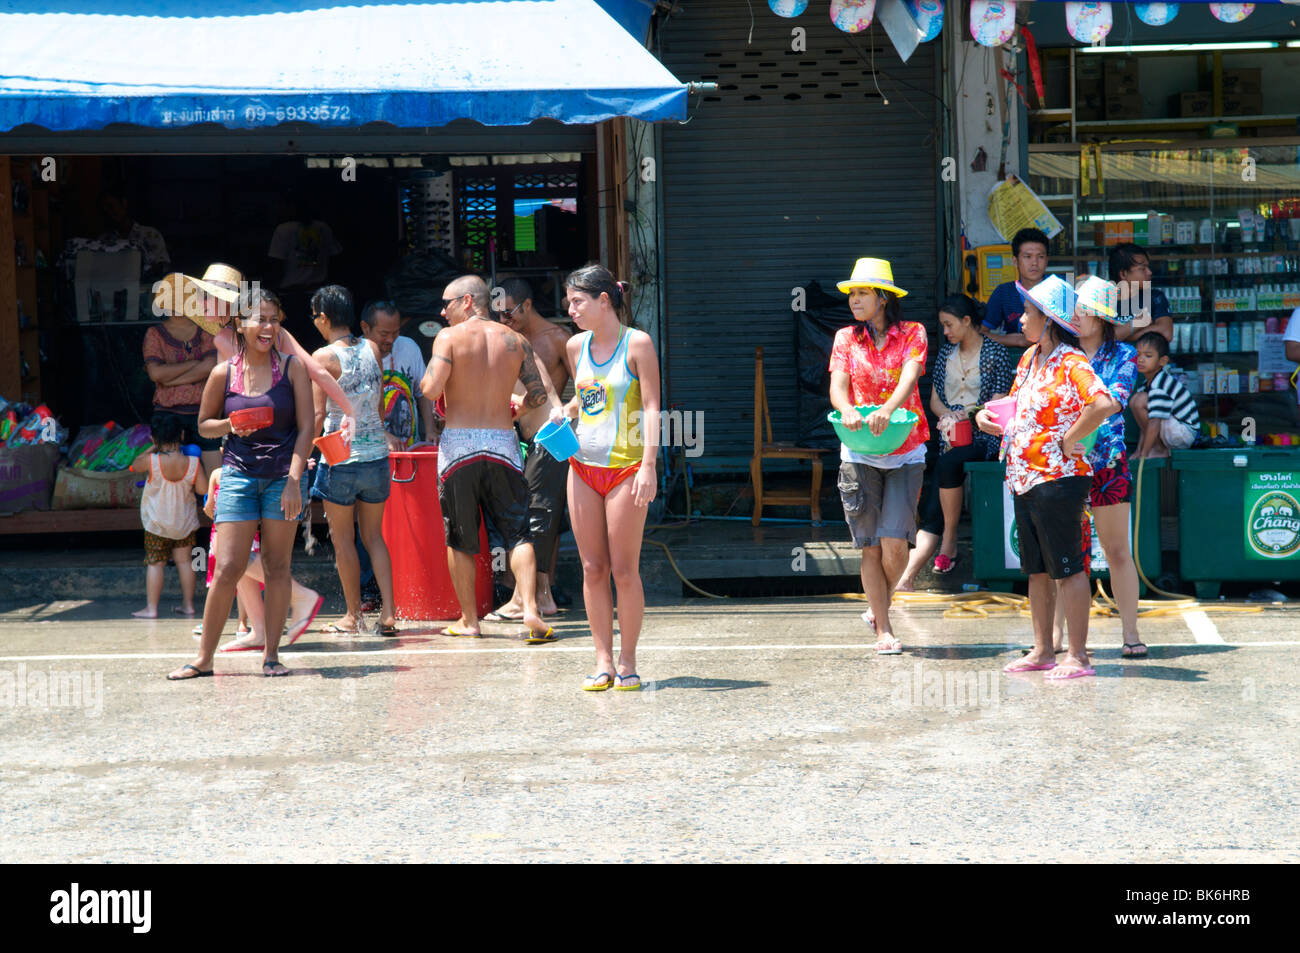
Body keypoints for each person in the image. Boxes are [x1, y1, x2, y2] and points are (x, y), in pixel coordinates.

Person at [167, 288, 315, 681]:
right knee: (227, 567)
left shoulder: (293, 368)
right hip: (237, 475)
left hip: (283, 478)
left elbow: (307, 429)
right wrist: (232, 424)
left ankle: (272, 656)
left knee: (277, 566)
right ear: (240, 325)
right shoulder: (224, 372)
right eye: (260, 319)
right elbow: (203, 425)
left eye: (274, 319)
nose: (268, 327)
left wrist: (295, 481)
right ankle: (203, 659)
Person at [976, 275, 1118, 681]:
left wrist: (1070, 438)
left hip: (1059, 479)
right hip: (1024, 477)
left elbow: (1104, 403)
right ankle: (1042, 651)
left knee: (1069, 568)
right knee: (1036, 570)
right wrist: (987, 416)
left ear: (1049, 319)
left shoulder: (1072, 362)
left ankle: (1078, 656)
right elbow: (1017, 405)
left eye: (1028, 313)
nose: (1020, 320)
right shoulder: (1029, 359)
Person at [420, 274, 561, 644]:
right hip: (503, 444)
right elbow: (538, 395)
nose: (442, 311)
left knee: (460, 538)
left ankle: (469, 620)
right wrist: (515, 408)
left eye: (447, 303)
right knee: (518, 533)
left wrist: (436, 383)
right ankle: (530, 608)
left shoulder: (448, 338)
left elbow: (431, 388)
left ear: (467, 302)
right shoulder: (516, 340)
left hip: (459, 449)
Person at [561, 265, 660, 691]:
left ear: (605, 300)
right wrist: (567, 411)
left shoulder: (637, 343)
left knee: (623, 570)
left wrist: (649, 466)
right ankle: (602, 659)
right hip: (582, 467)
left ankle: (628, 659)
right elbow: (585, 399)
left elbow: (653, 407)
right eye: (568, 302)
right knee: (592, 567)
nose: (571, 310)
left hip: (626, 468)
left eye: (578, 301)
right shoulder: (573, 346)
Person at [829, 258, 929, 655]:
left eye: (862, 292)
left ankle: (877, 602)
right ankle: (883, 628)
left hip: (905, 450)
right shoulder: (844, 339)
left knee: (895, 543)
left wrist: (889, 407)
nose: (854, 300)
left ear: (883, 298)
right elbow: (838, 387)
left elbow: (910, 375)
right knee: (870, 544)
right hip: (859, 451)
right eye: (852, 293)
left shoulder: (913, 333)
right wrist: (847, 407)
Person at [1051, 276, 1145, 659]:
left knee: (1118, 550)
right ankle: (1054, 638)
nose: (1075, 316)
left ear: (1102, 318)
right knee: (1065, 555)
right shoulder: (1059, 352)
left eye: (1083, 311)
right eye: (1074, 309)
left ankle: (1131, 633)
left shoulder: (1124, 355)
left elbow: (1113, 401)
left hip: (1107, 463)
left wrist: (1072, 433)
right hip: (1063, 464)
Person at [899, 294, 1013, 587]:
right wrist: (949, 416)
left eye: (949, 325)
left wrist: (965, 415)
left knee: (948, 464)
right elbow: (934, 400)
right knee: (940, 477)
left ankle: (947, 541)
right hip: (949, 436)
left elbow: (998, 401)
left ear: (966, 321)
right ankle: (907, 577)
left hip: (984, 437)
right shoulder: (946, 356)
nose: (946, 332)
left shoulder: (995, 353)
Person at [309, 285, 398, 637]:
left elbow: (318, 414)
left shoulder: (322, 358)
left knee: (343, 540)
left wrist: (301, 455)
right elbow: (378, 403)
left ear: (325, 317)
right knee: (374, 537)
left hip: (340, 459)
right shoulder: (372, 348)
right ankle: (389, 613)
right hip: (376, 455)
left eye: (315, 316)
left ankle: (353, 616)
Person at [484, 277, 573, 621]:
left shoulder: (558, 340)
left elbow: (582, 388)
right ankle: (538, 595)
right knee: (536, 517)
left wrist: (565, 416)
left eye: (509, 313)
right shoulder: (509, 340)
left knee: (540, 517)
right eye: (499, 315)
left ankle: (532, 598)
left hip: (550, 437)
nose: (504, 320)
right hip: (522, 439)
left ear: (527, 305)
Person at [204, 465, 323, 654]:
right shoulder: (218, 473)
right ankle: (259, 629)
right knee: (227, 551)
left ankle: (299, 595)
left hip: (270, 471)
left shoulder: (218, 473)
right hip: (248, 468)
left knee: (228, 549)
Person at [129, 414, 207, 619]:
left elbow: (133, 465)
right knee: (185, 562)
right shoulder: (193, 462)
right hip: (184, 523)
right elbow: (202, 489)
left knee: (156, 563)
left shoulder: (151, 461)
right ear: (182, 435)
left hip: (157, 523)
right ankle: (188, 605)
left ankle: (151, 609)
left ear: (154, 439)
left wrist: (152, 448)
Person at [143, 273, 221, 476]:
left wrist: (170, 380)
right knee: (169, 476)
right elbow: (155, 373)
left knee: (215, 476)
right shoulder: (154, 333)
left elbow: (210, 366)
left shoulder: (205, 329)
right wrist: (194, 363)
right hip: (168, 414)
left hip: (204, 411)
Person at [267, 191, 342, 339]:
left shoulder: (283, 230)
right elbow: (335, 257)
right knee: (317, 338)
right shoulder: (323, 228)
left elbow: (276, 264)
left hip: (290, 296)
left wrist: (271, 293)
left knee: (291, 339)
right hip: (318, 293)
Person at [360, 300, 435, 448]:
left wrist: (430, 430)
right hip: (370, 454)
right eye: (384, 333)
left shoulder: (409, 347)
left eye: (395, 332)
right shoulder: (355, 356)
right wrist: (382, 434)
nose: (390, 339)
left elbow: (423, 393)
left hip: (410, 449)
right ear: (365, 328)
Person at [1131, 332, 1200, 458]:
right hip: (1170, 430)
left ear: (1163, 361)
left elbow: (1154, 422)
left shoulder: (1161, 384)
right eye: (1138, 354)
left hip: (1183, 433)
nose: (1140, 359)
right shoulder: (1145, 385)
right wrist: (1139, 451)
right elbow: (1144, 424)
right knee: (1136, 400)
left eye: (1148, 356)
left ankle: (1159, 449)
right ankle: (1155, 447)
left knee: (1139, 401)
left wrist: (1145, 453)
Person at [981, 227, 1049, 350]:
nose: (1034, 262)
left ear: (1047, 260)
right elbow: (982, 334)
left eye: (1040, 256)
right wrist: (1018, 341)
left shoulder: (1059, 290)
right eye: (1027, 256)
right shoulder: (1003, 293)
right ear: (1015, 261)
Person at [98, 191, 170, 280]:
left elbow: (163, 266)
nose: (108, 213)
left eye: (111, 206)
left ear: (123, 203)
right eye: (104, 210)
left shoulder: (150, 235)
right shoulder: (103, 240)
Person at [1109, 243, 1172, 343]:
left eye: (1148, 267)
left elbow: (1166, 333)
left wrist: (1124, 334)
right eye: (1142, 269)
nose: (1149, 272)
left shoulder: (1155, 297)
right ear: (1123, 274)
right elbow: (1101, 341)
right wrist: (1136, 323)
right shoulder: (1104, 302)